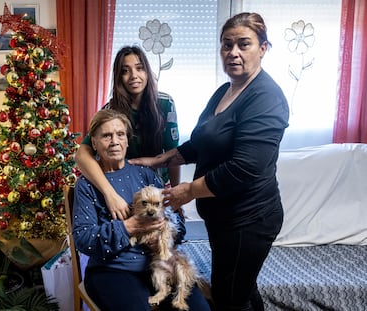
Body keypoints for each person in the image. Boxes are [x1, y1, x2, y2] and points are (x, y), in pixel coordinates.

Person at [129, 12, 290, 311]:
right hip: (223, 218)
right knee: (239, 289)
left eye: (244, 44)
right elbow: (201, 143)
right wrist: (157, 159)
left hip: (249, 220)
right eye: (227, 45)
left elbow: (244, 169)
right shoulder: (225, 90)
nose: (233, 53)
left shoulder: (266, 98)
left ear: (263, 48)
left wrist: (187, 191)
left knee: (229, 298)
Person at [72, 109, 211, 311]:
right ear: (93, 143)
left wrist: (166, 231)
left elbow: (179, 225)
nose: (114, 141)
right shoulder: (86, 185)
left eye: (120, 134)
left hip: (159, 265)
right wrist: (129, 227)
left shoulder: (146, 174)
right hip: (112, 271)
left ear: (127, 141)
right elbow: (84, 239)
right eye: (106, 136)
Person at [75, 45, 181, 221]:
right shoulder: (110, 109)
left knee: (169, 231)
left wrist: (175, 197)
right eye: (126, 71)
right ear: (119, 77)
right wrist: (110, 194)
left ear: (147, 71)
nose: (134, 76)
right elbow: (82, 155)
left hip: (157, 185)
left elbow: (174, 153)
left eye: (139, 68)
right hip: (123, 185)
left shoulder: (165, 103)